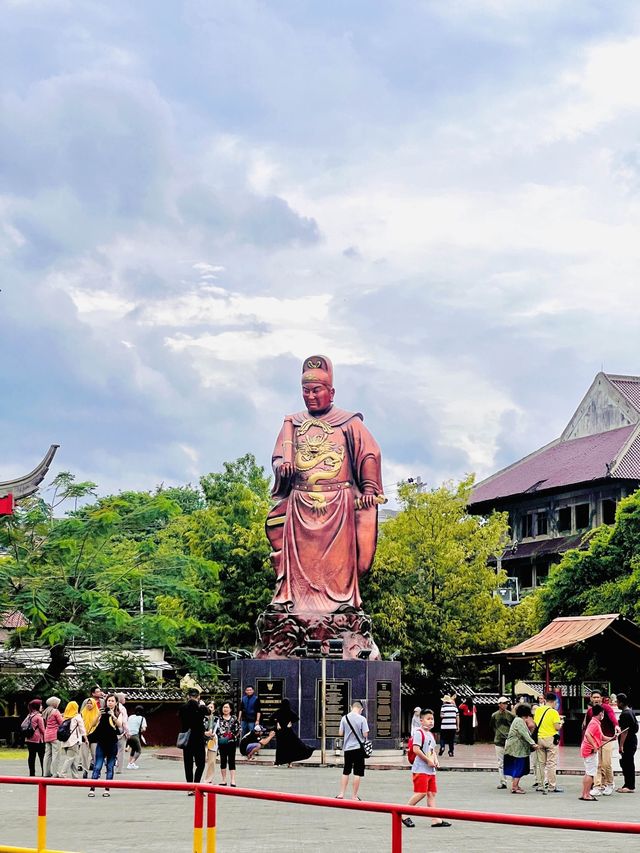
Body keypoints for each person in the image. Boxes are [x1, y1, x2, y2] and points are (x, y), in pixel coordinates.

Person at [264, 355, 383, 616]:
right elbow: (277, 458)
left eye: (317, 390)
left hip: (337, 505)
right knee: (299, 565)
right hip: (300, 504)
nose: (311, 396)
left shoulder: (348, 422)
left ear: (331, 392)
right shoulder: (292, 424)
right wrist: (282, 468)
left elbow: (369, 455)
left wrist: (369, 489)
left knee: (337, 565)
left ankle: (341, 605)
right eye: (305, 391)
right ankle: (292, 603)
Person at [402, 708, 451, 829]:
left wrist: (435, 760)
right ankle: (403, 813)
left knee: (431, 793)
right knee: (421, 793)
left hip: (430, 770)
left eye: (432, 719)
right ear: (421, 720)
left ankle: (435, 819)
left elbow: (431, 750)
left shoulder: (430, 734)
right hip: (420, 769)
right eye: (428, 719)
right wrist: (428, 760)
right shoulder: (419, 733)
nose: (431, 721)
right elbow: (416, 749)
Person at [583, 688, 620, 796]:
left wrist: (616, 726)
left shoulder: (606, 708)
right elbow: (589, 728)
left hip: (607, 738)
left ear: (602, 699)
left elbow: (613, 718)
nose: (596, 699)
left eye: (598, 697)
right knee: (597, 764)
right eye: (594, 697)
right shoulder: (590, 711)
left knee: (606, 764)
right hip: (596, 741)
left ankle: (609, 783)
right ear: (591, 699)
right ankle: (597, 786)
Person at [88, 693, 123, 797]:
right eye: (108, 701)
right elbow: (93, 724)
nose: (110, 703)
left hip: (112, 743)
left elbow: (120, 725)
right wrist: (98, 714)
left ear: (116, 703)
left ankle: (107, 789)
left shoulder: (118, 713)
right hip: (101, 743)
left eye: (112, 701)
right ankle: (92, 789)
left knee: (110, 766)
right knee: (97, 766)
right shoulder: (101, 712)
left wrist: (112, 715)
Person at [337, 700, 369, 801]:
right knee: (357, 772)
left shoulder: (344, 718)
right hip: (358, 749)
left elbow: (340, 733)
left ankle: (341, 794)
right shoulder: (362, 719)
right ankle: (354, 796)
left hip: (347, 748)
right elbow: (365, 734)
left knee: (346, 771)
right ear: (361, 709)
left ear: (351, 707)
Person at [503, 704, 539, 793]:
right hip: (517, 749)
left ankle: (516, 785)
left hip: (517, 748)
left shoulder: (518, 720)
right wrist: (533, 743)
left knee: (518, 767)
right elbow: (524, 734)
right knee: (519, 767)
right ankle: (514, 787)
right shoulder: (519, 721)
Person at [533, 691, 563, 794]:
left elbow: (535, 723)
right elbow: (556, 727)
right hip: (550, 739)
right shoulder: (554, 712)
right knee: (551, 764)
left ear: (545, 700)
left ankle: (540, 785)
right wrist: (561, 723)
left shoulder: (538, 710)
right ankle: (551, 786)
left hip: (539, 738)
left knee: (541, 763)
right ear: (554, 701)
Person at [178, 688, 208, 791]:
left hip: (187, 739)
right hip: (199, 739)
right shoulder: (201, 708)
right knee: (201, 763)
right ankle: (197, 784)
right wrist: (202, 705)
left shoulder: (182, 708)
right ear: (198, 697)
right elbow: (208, 711)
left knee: (188, 763)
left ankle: (189, 787)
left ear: (188, 696)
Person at [270, 699, 314, 766]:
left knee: (280, 747)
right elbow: (296, 718)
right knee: (289, 746)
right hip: (287, 731)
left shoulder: (279, 711)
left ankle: (278, 762)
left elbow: (271, 718)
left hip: (281, 731)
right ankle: (289, 763)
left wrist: (279, 723)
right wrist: (280, 722)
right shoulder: (289, 711)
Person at [580, 703, 605, 801]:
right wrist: (595, 746)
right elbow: (587, 734)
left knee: (588, 773)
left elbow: (602, 737)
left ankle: (584, 793)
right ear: (601, 713)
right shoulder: (594, 723)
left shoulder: (595, 722)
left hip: (588, 749)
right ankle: (586, 794)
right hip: (590, 750)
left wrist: (612, 738)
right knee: (590, 773)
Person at [57, 701, 87, 779]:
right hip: (74, 741)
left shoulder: (65, 716)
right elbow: (82, 729)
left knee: (73, 758)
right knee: (70, 758)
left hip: (65, 741)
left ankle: (75, 775)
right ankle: (63, 773)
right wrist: (86, 739)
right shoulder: (77, 717)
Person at [490, 696, 514, 790]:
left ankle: (513, 781)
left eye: (506, 703)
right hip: (499, 740)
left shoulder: (511, 715)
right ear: (499, 704)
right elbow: (492, 726)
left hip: (509, 739)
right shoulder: (494, 715)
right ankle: (503, 781)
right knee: (500, 762)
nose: (505, 705)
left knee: (511, 761)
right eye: (503, 703)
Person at [616, 692, 638, 793]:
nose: (616, 704)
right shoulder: (631, 711)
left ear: (621, 703)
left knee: (628, 763)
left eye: (617, 702)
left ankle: (630, 786)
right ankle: (627, 784)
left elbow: (624, 732)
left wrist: (621, 746)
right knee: (626, 763)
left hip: (628, 742)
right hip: (632, 740)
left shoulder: (625, 714)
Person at [80, 685, 103, 775]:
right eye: (87, 703)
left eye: (90, 703)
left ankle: (97, 770)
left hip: (95, 735)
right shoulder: (82, 713)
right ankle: (85, 771)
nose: (89, 705)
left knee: (95, 754)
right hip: (84, 735)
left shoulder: (98, 714)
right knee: (84, 755)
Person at [217, 701, 241, 787]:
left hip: (231, 742)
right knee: (223, 760)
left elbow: (238, 730)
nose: (225, 709)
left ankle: (233, 780)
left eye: (227, 707)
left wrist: (232, 736)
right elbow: (216, 730)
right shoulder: (218, 719)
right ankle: (223, 780)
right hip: (222, 742)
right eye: (224, 707)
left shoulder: (234, 719)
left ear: (231, 709)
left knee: (231, 760)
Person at [23, 698, 45, 777]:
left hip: (29, 739)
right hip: (38, 740)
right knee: (42, 756)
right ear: (37, 706)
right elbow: (42, 729)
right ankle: (44, 772)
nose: (42, 707)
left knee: (31, 756)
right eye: (41, 705)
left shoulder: (29, 715)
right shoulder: (39, 716)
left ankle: (32, 773)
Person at [42, 696, 63, 778]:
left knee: (47, 754)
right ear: (54, 703)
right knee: (56, 755)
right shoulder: (55, 711)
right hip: (55, 735)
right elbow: (61, 722)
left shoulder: (45, 711)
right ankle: (55, 773)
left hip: (47, 735)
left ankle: (46, 772)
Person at [126, 705, 147, 769]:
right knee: (139, 750)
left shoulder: (130, 716)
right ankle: (131, 763)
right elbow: (144, 728)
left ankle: (129, 763)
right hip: (135, 735)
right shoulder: (142, 718)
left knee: (133, 748)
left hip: (128, 735)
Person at [203, 702, 218, 784]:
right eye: (208, 707)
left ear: (214, 710)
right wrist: (204, 733)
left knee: (212, 761)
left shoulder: (216, 719)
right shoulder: (202, 717)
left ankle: (208, 779)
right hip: (202, 739)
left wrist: (213, 734)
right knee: (202, 760)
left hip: (213, 740)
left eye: (211, 707)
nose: (209, 708)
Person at [115, 692, 129, 774]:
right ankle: (119, 769)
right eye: (124, 698)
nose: (125, 699)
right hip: (121, 731)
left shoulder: (113, 706)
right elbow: (124, 722)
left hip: (112, 731)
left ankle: (109, 766)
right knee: (121, 751)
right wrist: (127, 732)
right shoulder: (122, 708)